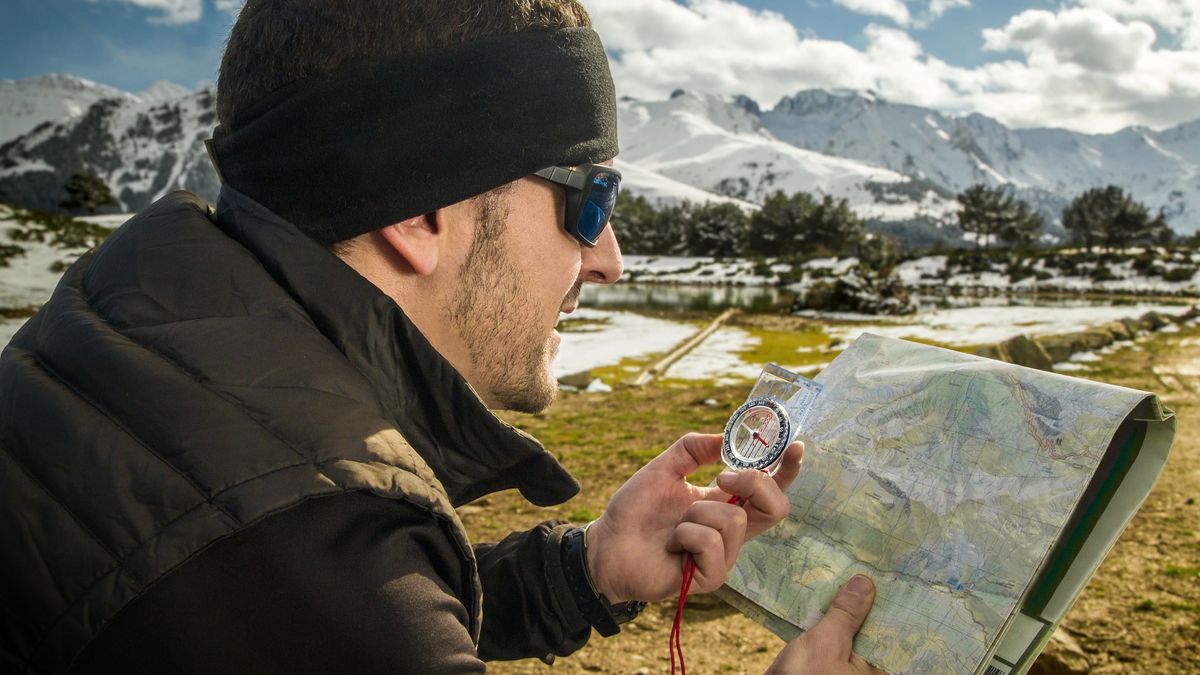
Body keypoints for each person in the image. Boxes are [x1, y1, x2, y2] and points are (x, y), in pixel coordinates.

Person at [0, 1, 882, 673]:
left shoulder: (124, 327)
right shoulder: (318, 555)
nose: (609, 259)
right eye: (592, 203)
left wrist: (585, 572)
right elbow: (331, 607)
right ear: (422, 212)